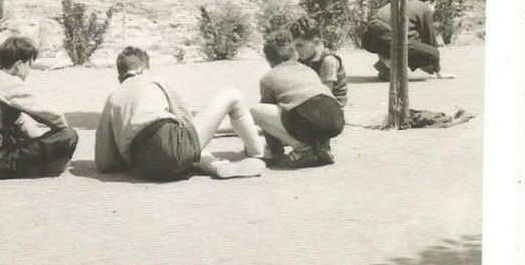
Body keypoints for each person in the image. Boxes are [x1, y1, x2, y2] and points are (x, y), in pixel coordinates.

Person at [95, 46, 265, 181]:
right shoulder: (152, 80)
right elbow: (186, 120)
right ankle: (258, 153)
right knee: (231, 94)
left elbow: (103, 160)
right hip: (171, 145)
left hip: (147, 167)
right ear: (144, 69)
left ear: (120, 77)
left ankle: (217, 165)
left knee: (184, 149)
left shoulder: (112, 98)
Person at [0, 36, 78, 180]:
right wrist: (59, 135)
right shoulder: (10, 83)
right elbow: (51, 114)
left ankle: (36, 164)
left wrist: (38, 139)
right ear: (19, 64)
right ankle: (49, 168)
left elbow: (20, 121)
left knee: (25, 136)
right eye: (29, 64)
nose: (29, 70)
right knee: (69, 136)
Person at [251, 30, 345, 168]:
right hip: (336, 120)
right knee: (310, 108)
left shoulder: (268, 78)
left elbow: (269, 124)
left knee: (256, 112)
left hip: (306, 118)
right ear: (294, 54)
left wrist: (276, 153)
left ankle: (302, 148)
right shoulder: (308, 70)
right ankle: (321, 146)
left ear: (269, 61)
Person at [361, 0, 456, 80]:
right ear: (428, 2)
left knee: (409, 43)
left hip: (368, 39)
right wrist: (438, 71)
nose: (434, 9)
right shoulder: (425, 8)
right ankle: (387, 65)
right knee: (433, 53)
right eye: (434, 5)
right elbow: (430, 41)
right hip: (387, 38)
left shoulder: (403, 3)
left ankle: (388, 66)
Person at [290, 14, 348, 107]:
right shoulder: (304, 59)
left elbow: (325, 96)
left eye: (300, 46)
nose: (297, 50)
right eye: (295, 47)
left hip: (330, 110)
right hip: (315, 105)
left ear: (316, 42)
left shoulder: (328, 61)